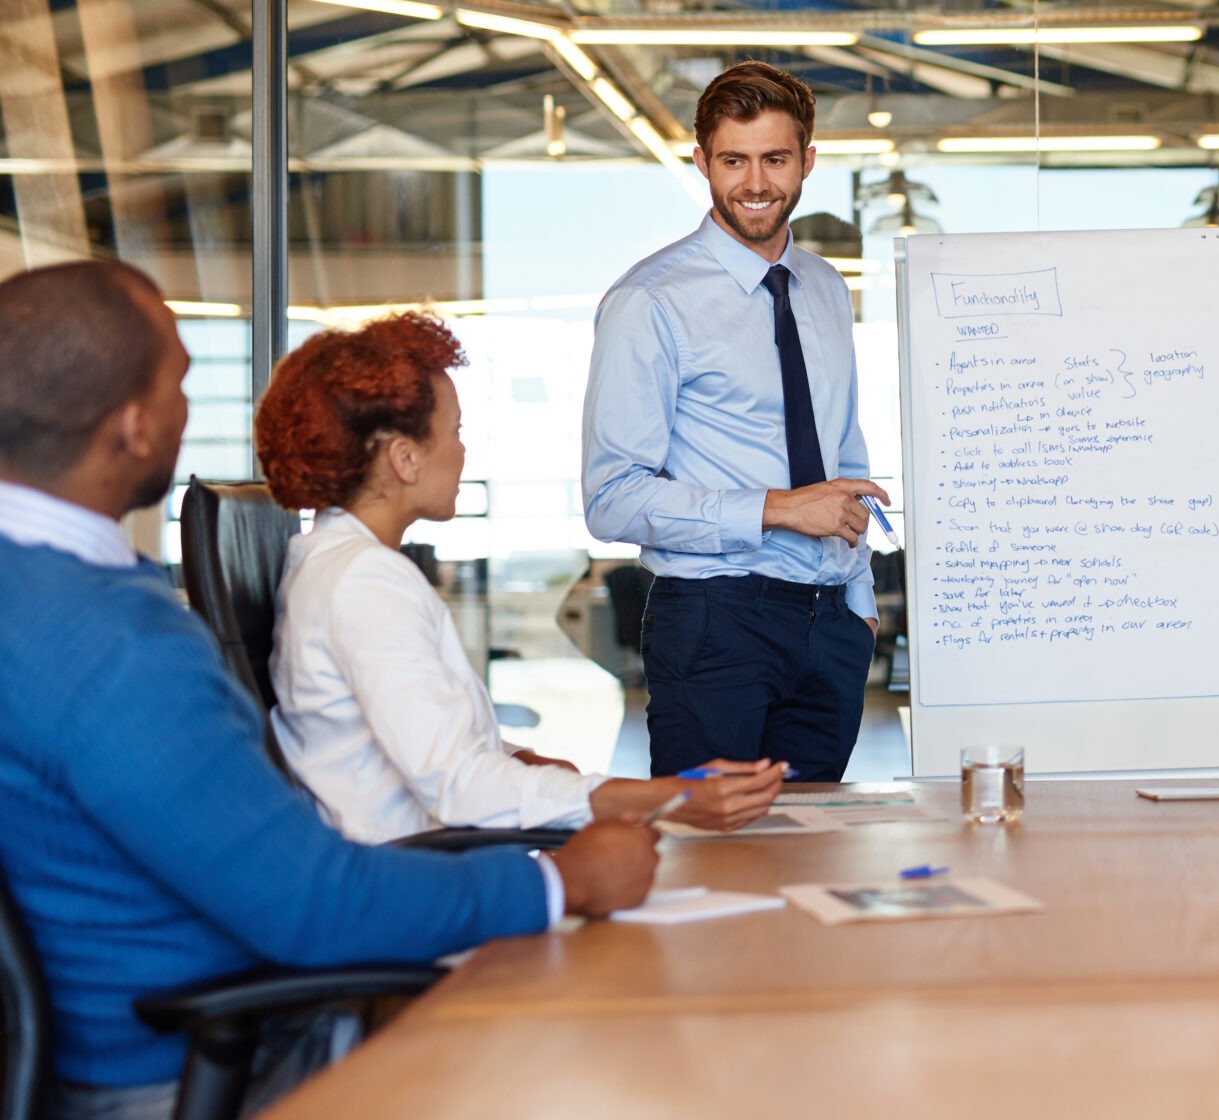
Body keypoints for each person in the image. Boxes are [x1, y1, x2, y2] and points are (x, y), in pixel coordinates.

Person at [0, 261, 658, 1118]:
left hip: (164, 1035)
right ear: (131, 427)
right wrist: (565, 884)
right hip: (208, 1062)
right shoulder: (113, 643)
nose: (189, 411)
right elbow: (314, 905)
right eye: (180, 384)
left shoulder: (38, 600)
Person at [255, 312, 785, 844]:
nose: (463, 451)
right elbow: (458, 785)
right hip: (416, 876)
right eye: (455, 432)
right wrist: (675, 797)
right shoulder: (364, 583)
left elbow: (420, 737)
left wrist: (521, 758)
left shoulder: (331, 562)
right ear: (405, 458)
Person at [583, 60, 885, 782]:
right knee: (713, 864)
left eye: (775, 159)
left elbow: (844, 451)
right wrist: (780, 510)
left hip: (831, 627)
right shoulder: (650, 302)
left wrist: (860, 606)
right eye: (733, 161)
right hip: (716, 624)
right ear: (701, 162)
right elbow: (611, 498)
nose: (755, 183)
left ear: (807, 161)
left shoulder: (823, 288)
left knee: (812, 858)